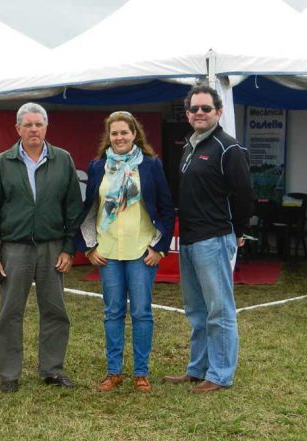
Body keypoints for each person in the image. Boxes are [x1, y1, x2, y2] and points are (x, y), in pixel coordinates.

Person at [0, 102, 83, 393]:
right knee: (10, 313)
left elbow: (73, 209)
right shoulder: (3, 162)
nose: (34, 129)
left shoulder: (63, 160)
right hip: (14, 249)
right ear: (18, 129)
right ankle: (9, 375)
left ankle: (52, 370)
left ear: (46, 127)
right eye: (28, 125)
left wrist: (68, 248)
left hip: (52, 249)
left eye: (38, 124)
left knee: (55, 311)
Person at [163, 84, 254, 393]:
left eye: (205, 108)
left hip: (214, 239)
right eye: (194, 109)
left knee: (219, 310)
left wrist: (237, 231)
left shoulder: (228, 148)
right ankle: (198, 368)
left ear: (219, 111)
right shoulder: (190, 147)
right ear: (187, 114)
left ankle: (220, 374)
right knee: (197, 310)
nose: (199, 113)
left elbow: (245, 196)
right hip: (189, 239)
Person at [75, 111, 175, 393]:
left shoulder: (151, 166)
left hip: (141, 252)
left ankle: (141, 373)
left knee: (142, 313)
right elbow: (88, 209)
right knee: (113, 312)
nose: (119, 137)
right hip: (108, 252)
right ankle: (113, 372)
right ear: (109, 136)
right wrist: (89, 247)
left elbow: (167, 209)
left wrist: (159, 248)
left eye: (124, 132)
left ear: (135, 135)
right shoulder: (97, 167)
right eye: (114, 133)